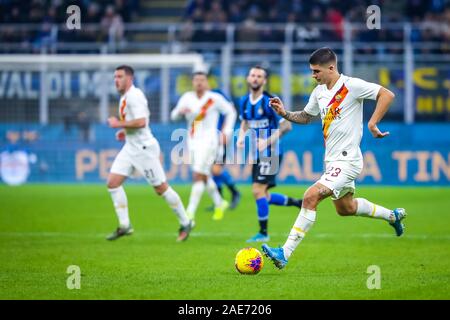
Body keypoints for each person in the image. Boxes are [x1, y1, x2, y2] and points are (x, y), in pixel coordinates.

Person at [262, 47, 407, 269]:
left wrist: (372, 123)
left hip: (348, 160)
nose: (313, 75)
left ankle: (284, 253)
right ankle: (392, 216)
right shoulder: (319, 92)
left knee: (310, 196)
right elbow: (306, 116)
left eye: (316, 71)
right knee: (345, 209)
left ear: (331, 67)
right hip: (332, 161)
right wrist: (284, 113)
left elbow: (387, 94)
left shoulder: (351, 85)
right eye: (312, 71)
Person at [106, 65, 193, 242]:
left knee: (161, 188)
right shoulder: (126, 96)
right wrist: (125, 132)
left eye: (120, 77)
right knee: (113, 183)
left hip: (144, 149)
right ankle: (125, 225)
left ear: (129, 78)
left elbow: (141, 122)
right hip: (131, 147)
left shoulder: (134, 96)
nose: (116, 80)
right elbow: (137, 122)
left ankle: (186, 222)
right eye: (115, 77)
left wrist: (119, 124)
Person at [236, 66, 303, 243]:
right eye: (253, 75)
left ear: (264, 81)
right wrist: (241, 137)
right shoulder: (243, 101)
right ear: (248, 79)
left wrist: (267, 142)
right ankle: (297, 203)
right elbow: (245, 123)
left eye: (259, 76)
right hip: (258, 153)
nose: (255, 78)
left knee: (257, 190)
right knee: (263, 194)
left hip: (271, 152)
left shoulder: (269, 101)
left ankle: (263, 232)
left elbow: (287, 126)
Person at [171, 71, 237, 224]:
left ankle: (189, 212)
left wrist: (227, 131)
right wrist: (180, 112)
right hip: (193, 141)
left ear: (207, 83)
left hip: (210, 141)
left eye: (202, 80)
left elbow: (231, 112)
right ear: (193, 82)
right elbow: (173, 115)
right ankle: (220, 203)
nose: (199, 83)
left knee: (197, 175)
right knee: (205, 175)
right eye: (196, 80)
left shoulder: (214, 99)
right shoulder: (187, 98)